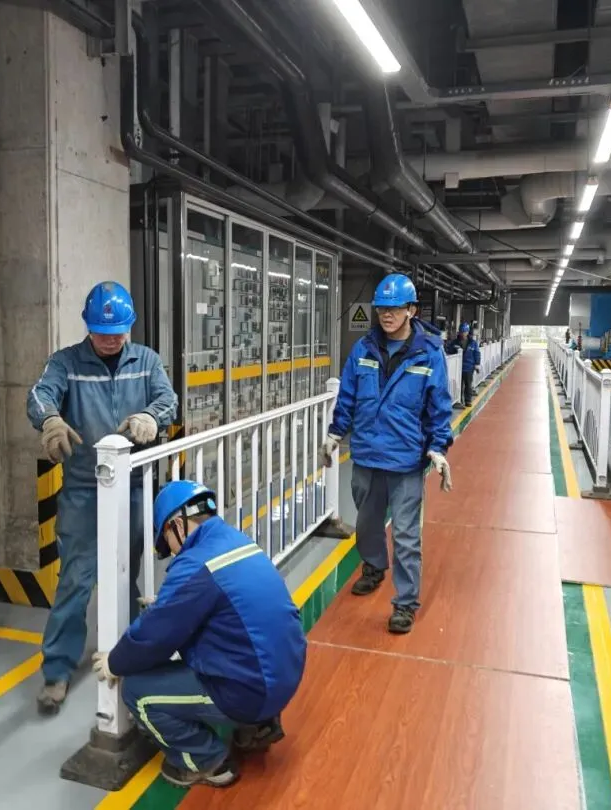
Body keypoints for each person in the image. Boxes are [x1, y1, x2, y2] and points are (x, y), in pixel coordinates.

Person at [91, 480, 307, 788]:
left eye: (168, 541)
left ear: (178, 525)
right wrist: (172, 601)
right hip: (287, 672)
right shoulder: (236, 541)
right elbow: (230, 600)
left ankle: (207, 762)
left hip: (252, 691)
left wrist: (115, 662)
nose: (172, 551)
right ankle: (259, 725)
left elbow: (153, 637)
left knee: (137, 692)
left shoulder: (195, 564)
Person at [27, 281, 178, 715]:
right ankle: (57, 670)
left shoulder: (146, 361)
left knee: (127, 573)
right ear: (88, 327)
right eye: (102, 332)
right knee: (76, 578)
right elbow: (40, 394)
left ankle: (130, 652)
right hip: (83, 488)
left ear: (130, 326)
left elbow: (168, 399)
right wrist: (50, 420)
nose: (111, 339)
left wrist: (151, 416)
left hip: (131, 487)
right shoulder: (66, 363)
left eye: (118, 332)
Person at [321, 273, 453, 634]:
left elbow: (439, 406)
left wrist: (438, 447)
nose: (386, 315)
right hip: (366, 454)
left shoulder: (429, 353)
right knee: (367, 522)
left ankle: (405, 603)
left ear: (411, 310)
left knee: (406, 535)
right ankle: (374, 566)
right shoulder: (363, 349)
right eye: (381, 309)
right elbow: (348, 396)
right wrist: (335, 433)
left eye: (394, 309)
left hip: (406, 459)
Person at [445, 321, 481, 407]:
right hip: (457, 368)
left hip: (469, 367)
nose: (463, 334)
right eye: (461, 332)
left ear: (467, 332)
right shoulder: (454, 342)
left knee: (468, 385)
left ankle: (468, 401)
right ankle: (459, 400)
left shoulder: (473, 343)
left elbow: (477, 353)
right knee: (459, 385)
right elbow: (449, 351)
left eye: (464, 332)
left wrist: (477, 364)